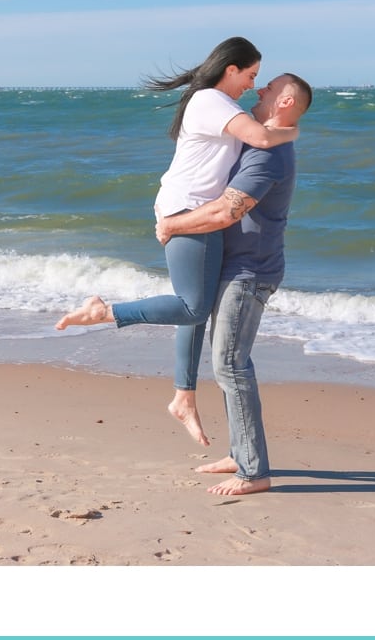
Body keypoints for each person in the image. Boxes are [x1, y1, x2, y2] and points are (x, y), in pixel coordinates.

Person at [54, 37, 297, 446]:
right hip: (188, 209)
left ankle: (183, 396)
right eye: (251, 75)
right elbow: (260, 138)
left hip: (198, 209)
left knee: (195, 308)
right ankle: (104, 311)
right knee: (191, 305)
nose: (252, 85)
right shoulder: (210, 100)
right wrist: (294, 128)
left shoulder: (220, 104)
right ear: (230, 68)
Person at [155, 72, 311, 494]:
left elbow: (227, 212)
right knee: (227, 364)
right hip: (236, 266)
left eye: (269, 87)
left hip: (250, 272)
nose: (260, 89)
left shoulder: (269, 157)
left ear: (283, 102)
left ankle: (254, 471)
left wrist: (172, 224)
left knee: (231, 364)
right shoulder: (261, 141)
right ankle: (241, 453)